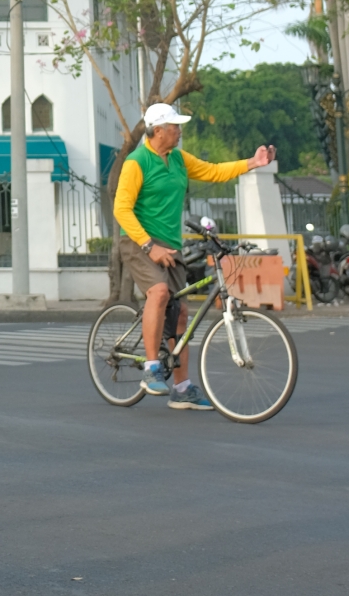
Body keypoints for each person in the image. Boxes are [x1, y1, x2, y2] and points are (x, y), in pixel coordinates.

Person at [113, 103, 276, 410]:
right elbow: (121, 209)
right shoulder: (136, 162)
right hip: (139, 242)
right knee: (159, 292)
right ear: (158, 131)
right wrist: (149, 246)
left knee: (180, 313)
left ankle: (182, 388)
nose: (180, 131)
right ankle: (151, 368)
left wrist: (252, 163)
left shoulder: (178, 158)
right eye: (175, 126)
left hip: (170, 244)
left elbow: (213, 171)